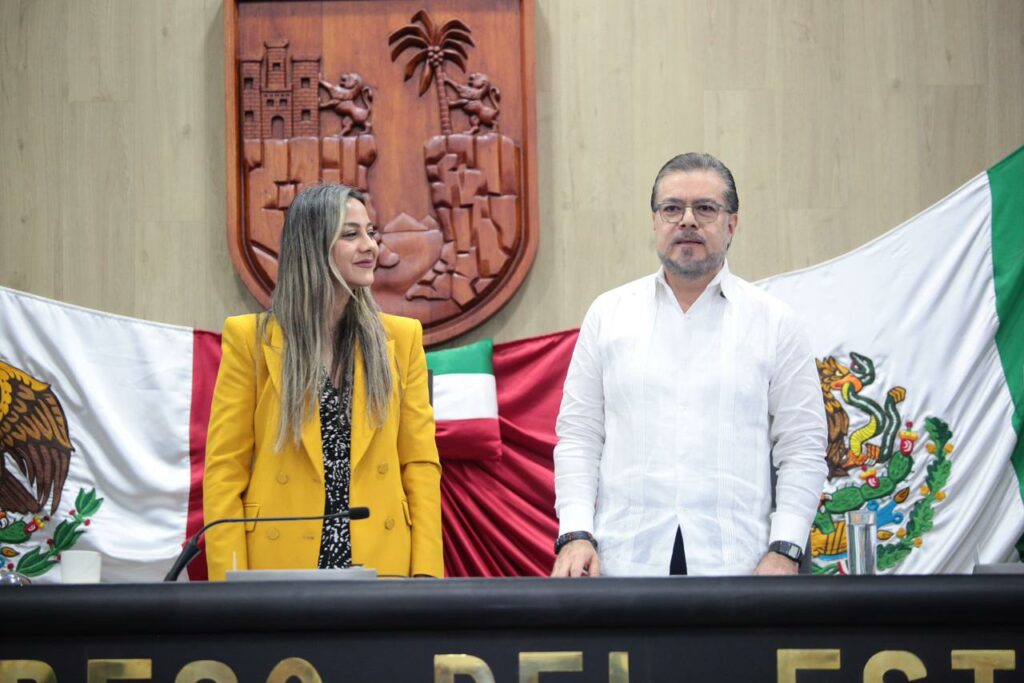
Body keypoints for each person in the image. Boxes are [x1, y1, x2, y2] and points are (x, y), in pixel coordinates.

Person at [551, 153, 827, 577]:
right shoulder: (609, 315)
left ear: (731, 224)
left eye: (706, 209)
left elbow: (803, 447)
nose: (687, 221)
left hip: (740, 567)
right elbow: (579, 437)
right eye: (672, 208)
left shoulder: (774, 322)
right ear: (655, 221)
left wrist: (786, 549)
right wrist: (575, 533)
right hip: (624, 563)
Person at [203, 184, 442, 580]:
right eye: (350, 234)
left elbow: (420, 466)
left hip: (383, 566)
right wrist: (230, 588)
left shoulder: (402, 339)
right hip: (278, 572)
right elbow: (225, 472)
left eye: (370, 232)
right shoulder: (251, 340)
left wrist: (427, 578)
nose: (370, 246)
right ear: (311, 246)